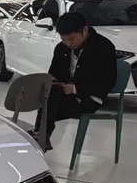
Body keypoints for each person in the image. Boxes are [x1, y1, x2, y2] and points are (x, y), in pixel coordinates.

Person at [33, 11, 117, 151]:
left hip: (90, 98)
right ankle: (41, 137)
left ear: (85, 30)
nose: (68, 43)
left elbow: (107, 81)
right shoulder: (61, 48)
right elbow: (53, 73)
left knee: (48, 106)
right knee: (48, 98)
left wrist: (74, 89)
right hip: (64, 95)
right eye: (64, 39)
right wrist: (53, 82)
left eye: (72, 39)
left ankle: (40, 136)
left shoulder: (103, 47)